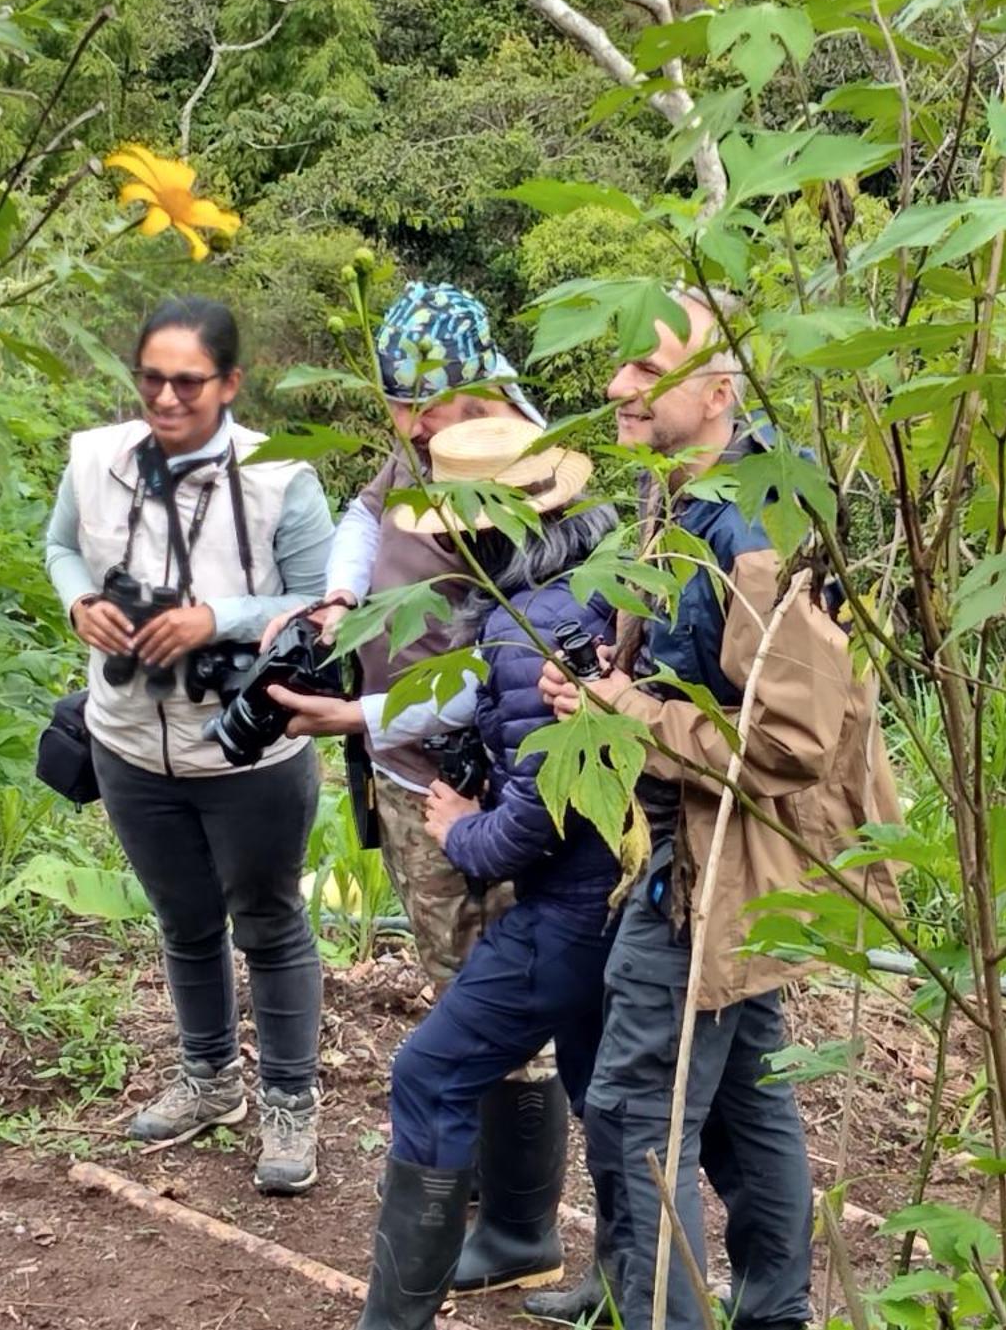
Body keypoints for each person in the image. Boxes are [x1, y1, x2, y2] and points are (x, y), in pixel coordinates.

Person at [537, 287, 901, 1330]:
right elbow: (681, 677)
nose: (614, 386)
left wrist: (632, 713)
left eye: (645, 373)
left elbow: (788, 743)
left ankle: (668, 1313)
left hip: (720, 866)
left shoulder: (757, 531)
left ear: (716, 390)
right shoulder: (685, 494)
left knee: (631, 1114)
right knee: (745, 1099)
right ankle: (769, 1311)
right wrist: (605, 692)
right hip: (687, 849)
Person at [264, 282, 581, 1292]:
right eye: (398, 407)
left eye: (426, 407)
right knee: (456, 974)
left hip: (478, 781)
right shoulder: (425, 445)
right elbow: (367, 507)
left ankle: (522, 1219)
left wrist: (354, 717)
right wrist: (340, 596)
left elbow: (497, 677)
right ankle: (483, 1184)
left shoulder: (532, 485)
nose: (409, 427)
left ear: (482, 385)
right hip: (406, 771)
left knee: (494, 991)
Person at [43, 297, 335, 1196]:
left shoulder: (282, 478)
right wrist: (77, 601)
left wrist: (218, 618)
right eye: (151, 379)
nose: (166, 398)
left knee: (271, 921)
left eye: (188, 382)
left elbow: (325, 605)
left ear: (230, 383)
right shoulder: (95, 460)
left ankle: (290, 1100)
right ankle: (210, 1079)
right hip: (129, 738)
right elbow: (60, 547)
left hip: (248, 749)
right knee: (183, 920)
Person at [356, 415, 622, 1330]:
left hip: (566, 910)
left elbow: (536, 823)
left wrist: (462, 829)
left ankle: (395, 1320)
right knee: (607, 1100)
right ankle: (624, 1285)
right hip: (625, 906)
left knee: (429, 1074)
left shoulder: (526, 630)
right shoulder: (602, 587)